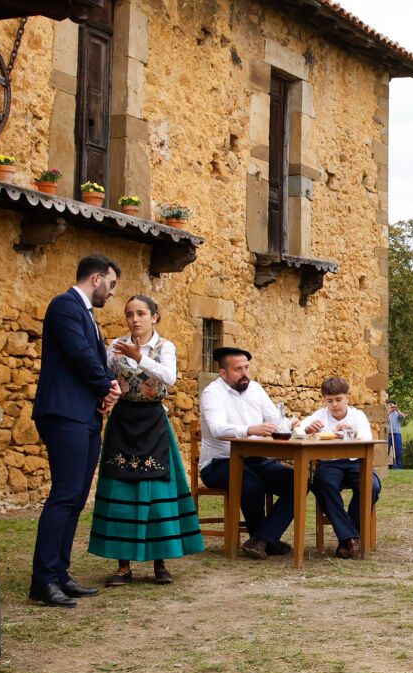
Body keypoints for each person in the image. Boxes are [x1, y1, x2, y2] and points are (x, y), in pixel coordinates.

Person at [87, 295, 204, 585]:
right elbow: (104, 378)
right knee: (121, 489)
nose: (134, 319)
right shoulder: (115, 346)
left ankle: (160, 562)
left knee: (157, 490)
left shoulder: (165, 347)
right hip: (123, 422)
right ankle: (123, 566)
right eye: (129, 314)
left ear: (154, 317)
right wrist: (105, 396)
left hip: (153, 422)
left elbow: (170, 377)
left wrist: (140, 357)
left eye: (140, 313)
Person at [29, 254, 121, 608]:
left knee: (78, 497)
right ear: (96, 278)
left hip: (85, 415)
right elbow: (80, 355)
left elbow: (92, 359)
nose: (112, 292)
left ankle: (60, 572)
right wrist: (107, 386)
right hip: (64, 412)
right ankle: (44, 579)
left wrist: (104, 391)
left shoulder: (87, 313)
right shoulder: (64, 306)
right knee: (65, 494)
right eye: (111, 284)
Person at [197, 346, 294, 558]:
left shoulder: (256, 389)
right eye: (238, 369)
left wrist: (291, 425)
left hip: (257, 459)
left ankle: (262, 539)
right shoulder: (212, 393)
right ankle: (265, 540)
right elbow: (217, 428)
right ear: (223, 373)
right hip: (219, 462)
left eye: (247, 368)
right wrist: (250, 430)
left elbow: (276, 421)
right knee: (251, 483)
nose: (245, 373)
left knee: (298, 481)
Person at [303, 376, 380, 558]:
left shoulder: (357, 416)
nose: (335, 405)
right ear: (324, 400)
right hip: (330, 463)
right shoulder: (320, 415)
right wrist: (308, 430)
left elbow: (366, 437)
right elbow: (299, 429)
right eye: (330, 401)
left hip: (356, 462)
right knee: (322, 484)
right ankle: (351, 538)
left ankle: (347, 538)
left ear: (347, 398)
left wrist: (351, 431)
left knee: (371, 486)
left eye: (339, 399)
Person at [387, 401, 405, 470]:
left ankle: (398, 466)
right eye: (389, 405)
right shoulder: (386, 413)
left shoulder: (397, 413)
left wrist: (397, 410)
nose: (391, 406)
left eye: (392, 405)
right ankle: (384, 466)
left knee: (398, 451)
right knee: (386, 450)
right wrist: (389, 412)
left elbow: (403, 416)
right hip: (387, 434)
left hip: (397, 434)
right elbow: (382, 418)